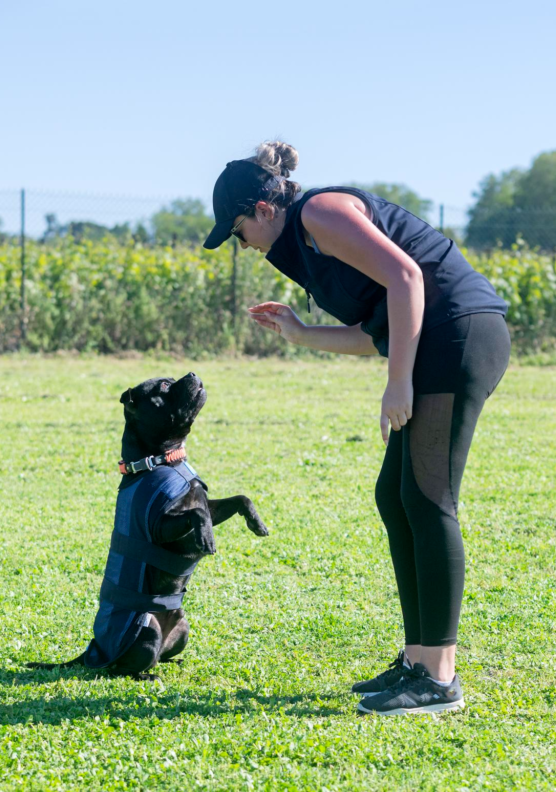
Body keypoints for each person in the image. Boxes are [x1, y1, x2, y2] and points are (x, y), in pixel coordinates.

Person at [203, 142, 510, 716]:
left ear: (265, 211)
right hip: (435, 344)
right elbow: (377, 329)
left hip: (459, 337)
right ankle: (419, 660)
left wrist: (399, 384)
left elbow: (408, 278)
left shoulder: (321, 213)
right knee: (396, 498)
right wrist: (301, 333)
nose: (241, 245)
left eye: (238, 230)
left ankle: (438, 678)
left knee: (426, 496)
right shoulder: (302, 244)